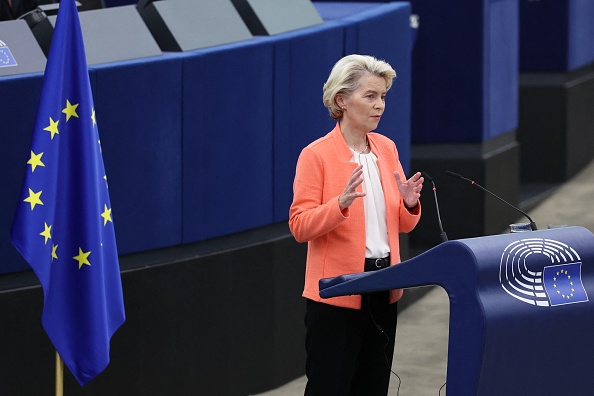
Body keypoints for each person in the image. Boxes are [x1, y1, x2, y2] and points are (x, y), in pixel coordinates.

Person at [289, 54, 423, 395]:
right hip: (337, 292)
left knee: (373, 385)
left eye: (383, 97)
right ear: (341, 100)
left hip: (383, 285)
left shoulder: (387, 149)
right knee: (330, 386)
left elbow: (402, 226)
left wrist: (408, 203)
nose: (379, 105)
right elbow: (300, 226)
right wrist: (339, 205)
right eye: (370, 96)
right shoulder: (315, 155)